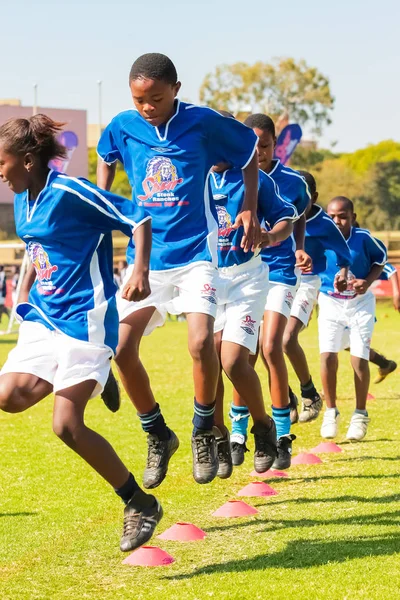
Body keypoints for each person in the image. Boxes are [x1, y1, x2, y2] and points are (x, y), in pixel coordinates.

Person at [97, 53, 261, 487]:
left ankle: (203, 430)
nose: (147, 107)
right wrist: (102, 200)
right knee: (120, 347)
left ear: (176, 89)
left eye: (155, 97)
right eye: (139, 100)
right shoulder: (123, 125)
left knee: (201, 340)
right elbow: (106, 153)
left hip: (197, 256)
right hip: (145, 260)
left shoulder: (203, 122)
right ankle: (157, 433)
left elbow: (248, 154)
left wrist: (247, 207)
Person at [0, 114, 161, 553]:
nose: (0, 171)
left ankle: (138, 502)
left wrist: (139, 270)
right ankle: (102, 378)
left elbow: (138, 218)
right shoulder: (21, 197)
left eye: (3, 162)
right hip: (44, 318)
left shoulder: (71, 191)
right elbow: (39, 245)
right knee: (8, 397)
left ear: (29, 160)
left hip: (86, 320)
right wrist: (27, 286)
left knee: (66, 426)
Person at [210, 125, 297, 478]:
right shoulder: (194, 177)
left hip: (247, 277)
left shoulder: (255, 180)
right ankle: (217, 439)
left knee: (235, 359)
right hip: (207, 278)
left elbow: (286, 219)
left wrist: (270, 236)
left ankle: (264, 430)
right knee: (207, 355)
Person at [229, 113, 312, 470]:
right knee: (241, 353)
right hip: (242, 274)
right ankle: (237, 432)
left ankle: (282, 436)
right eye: (251, 145)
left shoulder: (293, 181)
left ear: (274, 144)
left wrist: (297, 246)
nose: (257, 152)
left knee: (270, 346)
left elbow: (297, 215)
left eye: (263, 145)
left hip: (278, 272)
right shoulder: (233, 177)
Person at [283, 171, 351, 422]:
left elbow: (345, 254)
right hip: (277, 280)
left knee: (287, 339)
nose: (298, 202)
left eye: (304, 197)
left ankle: (309, 392)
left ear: (314, 197)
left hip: (307, 283)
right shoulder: (281, 212)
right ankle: (284, 397)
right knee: (262, 345)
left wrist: (343, 273)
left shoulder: (324, 224)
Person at [319, 196, 387, 441]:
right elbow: (311, 263)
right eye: (332, 216)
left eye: (343, 216)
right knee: (327, 356)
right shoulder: (321, 237)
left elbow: (380, 260)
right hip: (329, 301)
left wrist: (366, 282)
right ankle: (330, 412)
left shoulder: (363, 238)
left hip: (360, 304)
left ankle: (360, 414)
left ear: (353, 217)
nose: (337, 221)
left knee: (359, 359)